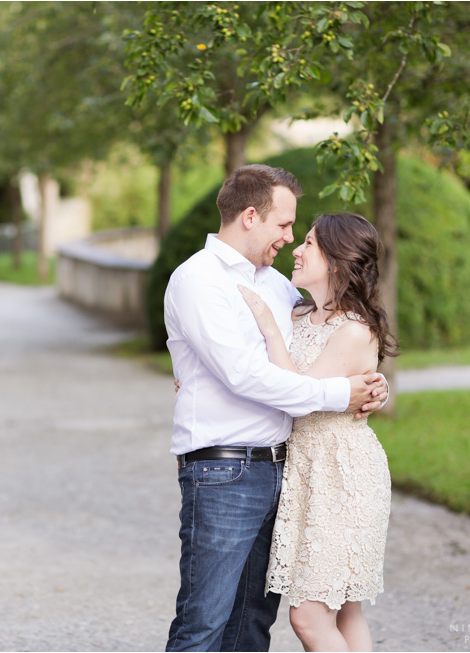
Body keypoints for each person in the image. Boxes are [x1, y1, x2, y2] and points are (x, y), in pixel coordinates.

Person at [164, 165, 388, 652]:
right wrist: (341, 395)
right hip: (224, 469)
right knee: (203, 622)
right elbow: (245, 374)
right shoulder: (198, 280)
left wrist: (372, 382)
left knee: (250, 626)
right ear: (250, 216)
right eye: (285, 225)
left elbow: (327, 336)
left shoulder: (275, 285)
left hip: (283, 470)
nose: (290, 239)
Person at [237, 212, 397, 652]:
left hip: (342, 476)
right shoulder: (301, 312)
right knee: (345, 609)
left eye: (309, 243)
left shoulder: (354, 330)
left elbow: (299, 394)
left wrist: (270, 327)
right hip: (307, 474)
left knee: (308, 615)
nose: (296, 249)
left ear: (337, 261)